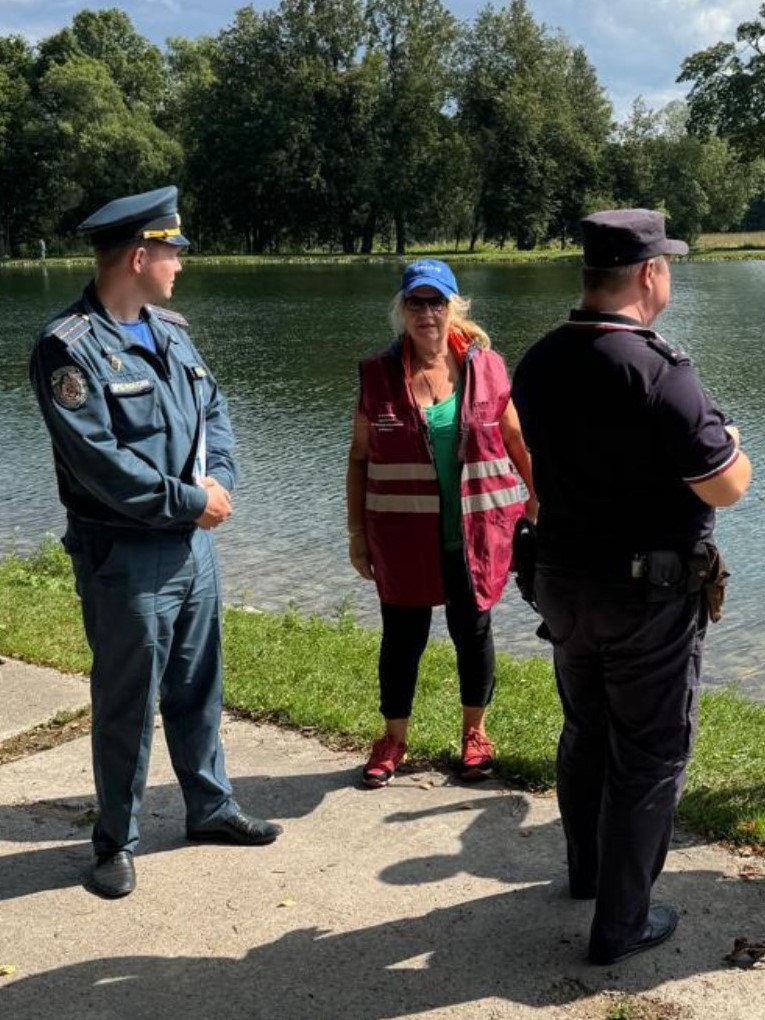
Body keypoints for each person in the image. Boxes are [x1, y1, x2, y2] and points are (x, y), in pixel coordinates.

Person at [512, 209, 752, 965]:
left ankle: (587, 873)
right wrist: (731, 441)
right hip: (646, 595)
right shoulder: (658, 370)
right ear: (649, 273)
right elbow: (726, 486)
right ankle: (621, 924)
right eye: (667, 264)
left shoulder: (539, 359)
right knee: (649, 755)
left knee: (586, 730)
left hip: (560, 582)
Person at [30, 186, 282, 899]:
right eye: (172, 251)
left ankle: (210, 806)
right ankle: (116, 840)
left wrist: (219, 479)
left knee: (199, 684)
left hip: (193, 548)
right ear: (139, 257)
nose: (180, 264)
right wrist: (193, 501)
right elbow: (102, 464)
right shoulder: (67, 348)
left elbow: (214, 410)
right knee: (128, 701)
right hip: (127, 555)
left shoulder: (169, 330)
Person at [346, 259, 536, 788]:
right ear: (401, 309)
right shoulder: (378, 375)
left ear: (454, 307)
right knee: (402, 638)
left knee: (472, 634)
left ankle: (475, 734)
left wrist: (538, 497)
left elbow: (516, 441)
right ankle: (393, 739)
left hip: (475, 533)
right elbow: (359, 459)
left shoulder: (487, 368)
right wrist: (357, 535)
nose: (426, 313)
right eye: (416, 302)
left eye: (436, 302)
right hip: (402, 537)